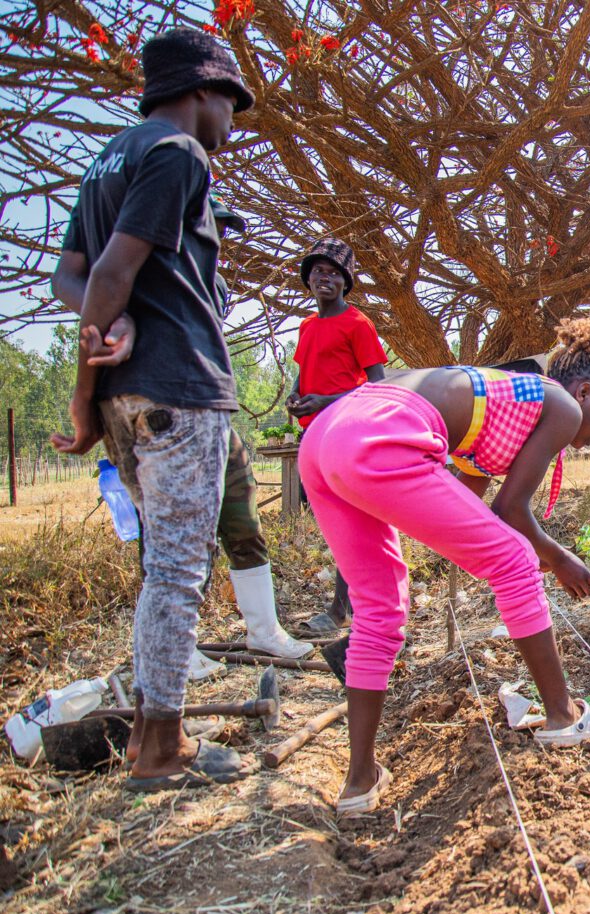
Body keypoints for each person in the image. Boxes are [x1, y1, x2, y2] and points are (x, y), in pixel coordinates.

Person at [299, 318, 590, 816]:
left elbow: (471, 514)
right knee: (516, 559)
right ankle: (564, 717)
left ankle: (360, 782)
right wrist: (555, 558)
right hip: (382, 430)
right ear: (584, 391)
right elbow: (511, 512)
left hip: (327, 438)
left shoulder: (501, 414)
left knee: (380, 608)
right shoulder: (559, 404)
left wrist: (514, 559)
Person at [48, 26, 256, 790]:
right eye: (230, 102)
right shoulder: (177, 153)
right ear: (200, 91)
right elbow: (106, 271)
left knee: (162, 567)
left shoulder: (109, 160)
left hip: (126, 400)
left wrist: (113, 324)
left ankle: (147, 734)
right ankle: (162, 751)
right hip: (177, 388)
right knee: (176, 571)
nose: (232, 121)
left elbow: (70, 279)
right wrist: (79, 385)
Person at [52, 201, 312, 685]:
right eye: (213, 229)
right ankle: (178, 648)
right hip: (162, 409)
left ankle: (263, 629)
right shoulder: (146, 274)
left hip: (209, 409)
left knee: (242, 511)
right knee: (172, 536)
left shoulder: (208, 280)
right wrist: (86, 401)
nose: (220, 243)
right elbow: (92, 318)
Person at [285, 239, 388, 637]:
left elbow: (377, 385)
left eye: (332, 273)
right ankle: (355, 607)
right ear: (308, 280)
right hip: (315, 435)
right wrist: (296, 397)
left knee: (352, 524)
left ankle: (344, 611)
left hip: (348, 432)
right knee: (339, 525)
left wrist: (327, 399)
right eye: (317, 272)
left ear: (345, 283)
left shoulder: (358, 324)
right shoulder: (308, 326)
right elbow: (304, 370)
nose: (323, 278)